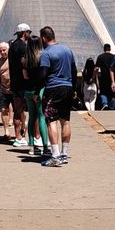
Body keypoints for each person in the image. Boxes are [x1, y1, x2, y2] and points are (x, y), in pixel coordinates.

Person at [39, 26, 76, 167]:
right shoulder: (67, 50)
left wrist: (38, 91)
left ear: (43, 38)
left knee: (51, 121)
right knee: (65, 121)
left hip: (53, 88)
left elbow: (43, 74)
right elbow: (73, 70)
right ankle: (64, 154)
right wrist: (73, 89)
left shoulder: (46, 53)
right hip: (67, 87)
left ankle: (54, 155)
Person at [23, 35, 50, 157]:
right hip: (39, 90)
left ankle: (32, 147)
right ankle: (45, 146)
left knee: (32, 117)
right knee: (42, 117)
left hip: (28, 90)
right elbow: (44, 76)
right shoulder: (42, 57)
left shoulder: (25, 59)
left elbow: (25, 77)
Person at [8, 24, 31, 146]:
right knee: (20, 110)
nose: (30, 35)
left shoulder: (12, 46)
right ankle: (20, 136)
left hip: (14, 83)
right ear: (24, 32)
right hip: (22, 83)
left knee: (18, 110)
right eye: (29, 32)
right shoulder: (23, 47)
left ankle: (19, 135)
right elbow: (24, 64)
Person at [0, 42, 14, 141]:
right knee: (3, 110)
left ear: (8, 49)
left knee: (19, 111)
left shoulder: (13, 60)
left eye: (4, 50)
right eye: (0, 51)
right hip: (3, 89)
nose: (2, 52)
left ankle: (22, 130)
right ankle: (6, 132)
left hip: (14, 89)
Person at [94, 44, 115, 111]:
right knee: (113, 93)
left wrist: (96, 76)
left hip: (103, 77)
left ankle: (105, 104)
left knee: (103, 92)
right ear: (110, 49)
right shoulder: (114, 57)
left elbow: (96, 68)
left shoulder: (100, 57)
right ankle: (112, 106)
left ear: (104, 49)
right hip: (113, 78)